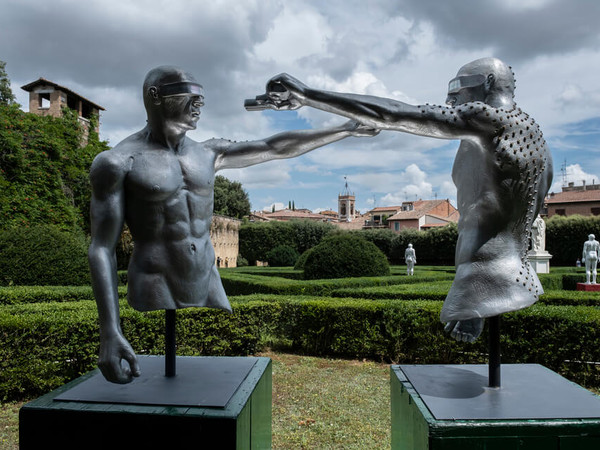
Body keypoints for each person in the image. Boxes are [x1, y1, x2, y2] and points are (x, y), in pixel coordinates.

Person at [88, 65, 378, 384]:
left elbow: (274, 147)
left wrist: (344, 129)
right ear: (155, 96)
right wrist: (110, 331)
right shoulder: (117, 162)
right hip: (154, 284)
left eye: (202, 97)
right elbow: (102, 248)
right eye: (190, 95)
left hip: (206, 279)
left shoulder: (209, 153)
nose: (199, 103)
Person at [256, 57, 553, 343]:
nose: (452, 99)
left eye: (459, 86)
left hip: (483, 275)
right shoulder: (537, 139)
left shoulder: (489, 119)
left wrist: (308, 95)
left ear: (488, 84)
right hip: (517, 272)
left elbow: (399, 113)